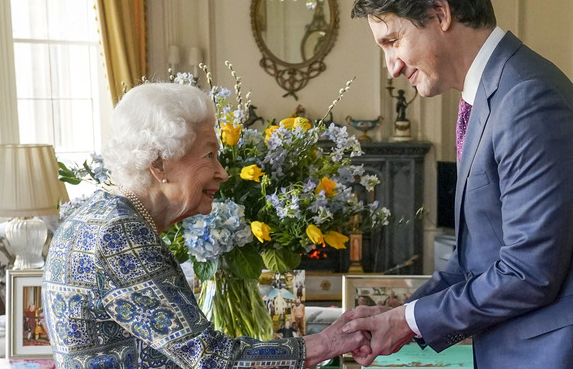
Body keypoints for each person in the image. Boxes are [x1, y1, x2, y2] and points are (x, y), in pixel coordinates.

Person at [343, 0, 573, 369]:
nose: (392, 67)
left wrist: (408, 322)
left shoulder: (528, 99)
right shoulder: (493, 93)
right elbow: (475, 262)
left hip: (570, 355)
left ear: (440, 14)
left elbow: (529, 274)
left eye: (393, 41)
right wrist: (398, 317)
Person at [42, 83, 367, 369]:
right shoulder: (120, 236)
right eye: (209, 156)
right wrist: (327, 343)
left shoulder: (96, 217)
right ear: (159, 164)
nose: (223, 172)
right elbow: (209, 357)